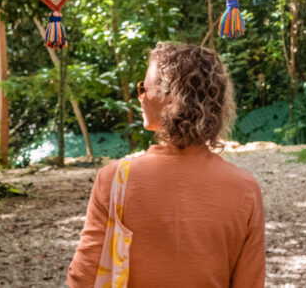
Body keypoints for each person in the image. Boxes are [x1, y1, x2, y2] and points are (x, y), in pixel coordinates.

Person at [67, 42, 266, 287]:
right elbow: (250, 282)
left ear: (171, 96)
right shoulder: (244, 188)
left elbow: (83, 275)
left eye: (143, 88)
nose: (140, 97)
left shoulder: (115, 180)